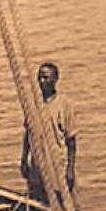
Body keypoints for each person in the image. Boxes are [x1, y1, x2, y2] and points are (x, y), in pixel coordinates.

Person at [20, 62, 78, 202]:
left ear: (55, 79)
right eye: (39, 78)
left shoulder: (64, 105)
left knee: (62, 202)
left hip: (57, 166)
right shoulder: (33, 104)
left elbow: (71, 142)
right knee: (38, 200)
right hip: (37, 167)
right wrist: (23, 159)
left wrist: (70, 170)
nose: (41, 81)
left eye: (46, 78)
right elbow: (28, 134)